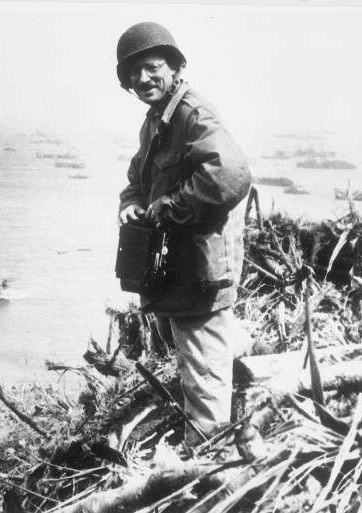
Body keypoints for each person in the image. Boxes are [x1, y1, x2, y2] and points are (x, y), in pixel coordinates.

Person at [115, 21, 252, 442]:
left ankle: (209, 463)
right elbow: (138, 176)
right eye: (133, 74)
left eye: (152, 68)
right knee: (208, 346)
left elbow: (231, 175)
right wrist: (133, 203)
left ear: (174, 67)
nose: (143, 80)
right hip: (182, 269)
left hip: (199, 271)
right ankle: (251, 374)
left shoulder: (191, 113)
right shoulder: (159, 119)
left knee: (203, 381)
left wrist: (165, 210)